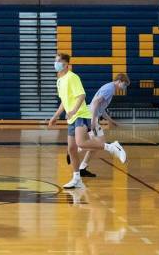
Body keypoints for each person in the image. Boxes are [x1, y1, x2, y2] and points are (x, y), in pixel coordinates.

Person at [49, 54, 125, 189]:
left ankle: (112, 147)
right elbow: (64, 101)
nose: (56, 63)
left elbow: (81, 95)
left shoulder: (73, 77)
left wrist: (73, 111)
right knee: (72, 149)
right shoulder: (59, 81)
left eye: (59, 61)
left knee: (81, 143)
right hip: (72, 118)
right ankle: (77, 178)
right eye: (55, 61)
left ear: (66, 64)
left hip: (81, 114)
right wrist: (55, 116)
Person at [72, 74, 130, 174]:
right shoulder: (109, 89)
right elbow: (95, 103)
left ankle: (82, 167)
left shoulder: (110, 89)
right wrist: (93, 120)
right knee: (98, 143)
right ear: (119, 81)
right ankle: (113, 146)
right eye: (124, 85)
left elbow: (101, 109)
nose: (124, 88)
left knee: (98, 144)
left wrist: (111, 121)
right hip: (90, 116)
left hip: (91, 115)